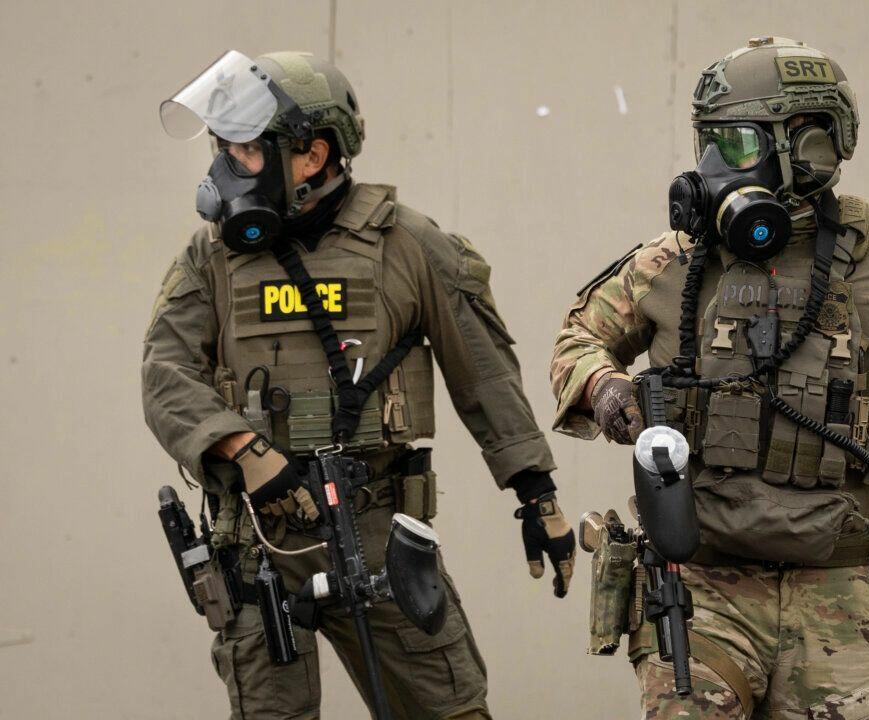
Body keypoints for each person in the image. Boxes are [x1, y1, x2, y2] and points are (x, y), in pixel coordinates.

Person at [550, 37, 869, 720]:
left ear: (810, 146)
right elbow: (577, 338)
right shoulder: (674, 262)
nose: (712, 166)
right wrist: (605, 388)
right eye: (708, 142)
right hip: (701, 582)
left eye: (735, 144)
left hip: (834, 591)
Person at [144, 50, 574, 720]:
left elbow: (484, 373)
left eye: (246, 150)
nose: (225, 167)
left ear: (311, 157)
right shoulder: (212, 258)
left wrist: (537, 495)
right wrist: (244, 452)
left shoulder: (408, 245)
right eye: (222, 147)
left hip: (374, 528)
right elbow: (165, 375)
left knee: (449, 710)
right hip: (258, 540)